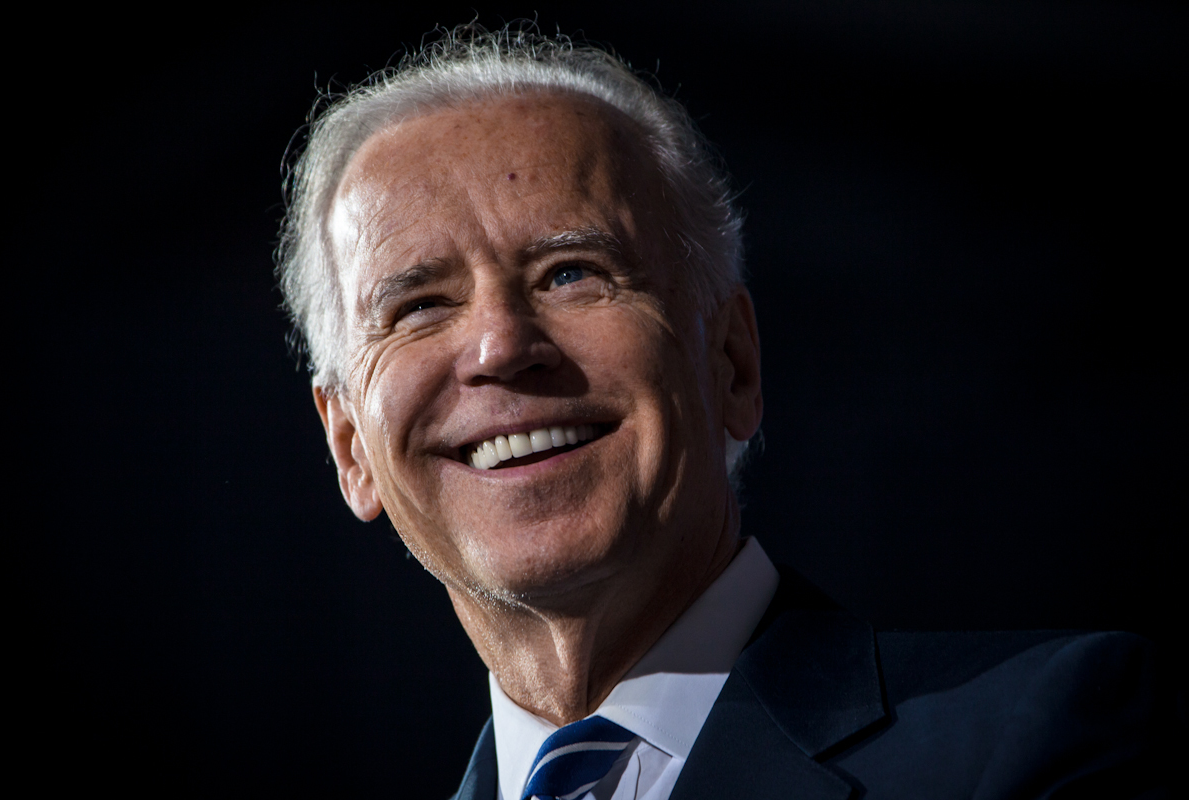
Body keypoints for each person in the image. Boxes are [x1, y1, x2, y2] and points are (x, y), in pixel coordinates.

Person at [277, 25, 1167, 800]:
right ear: (350, 445)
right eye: (419, 307)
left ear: (731, 361)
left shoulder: (1045, 735)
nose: (501, 346)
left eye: (572, 273)